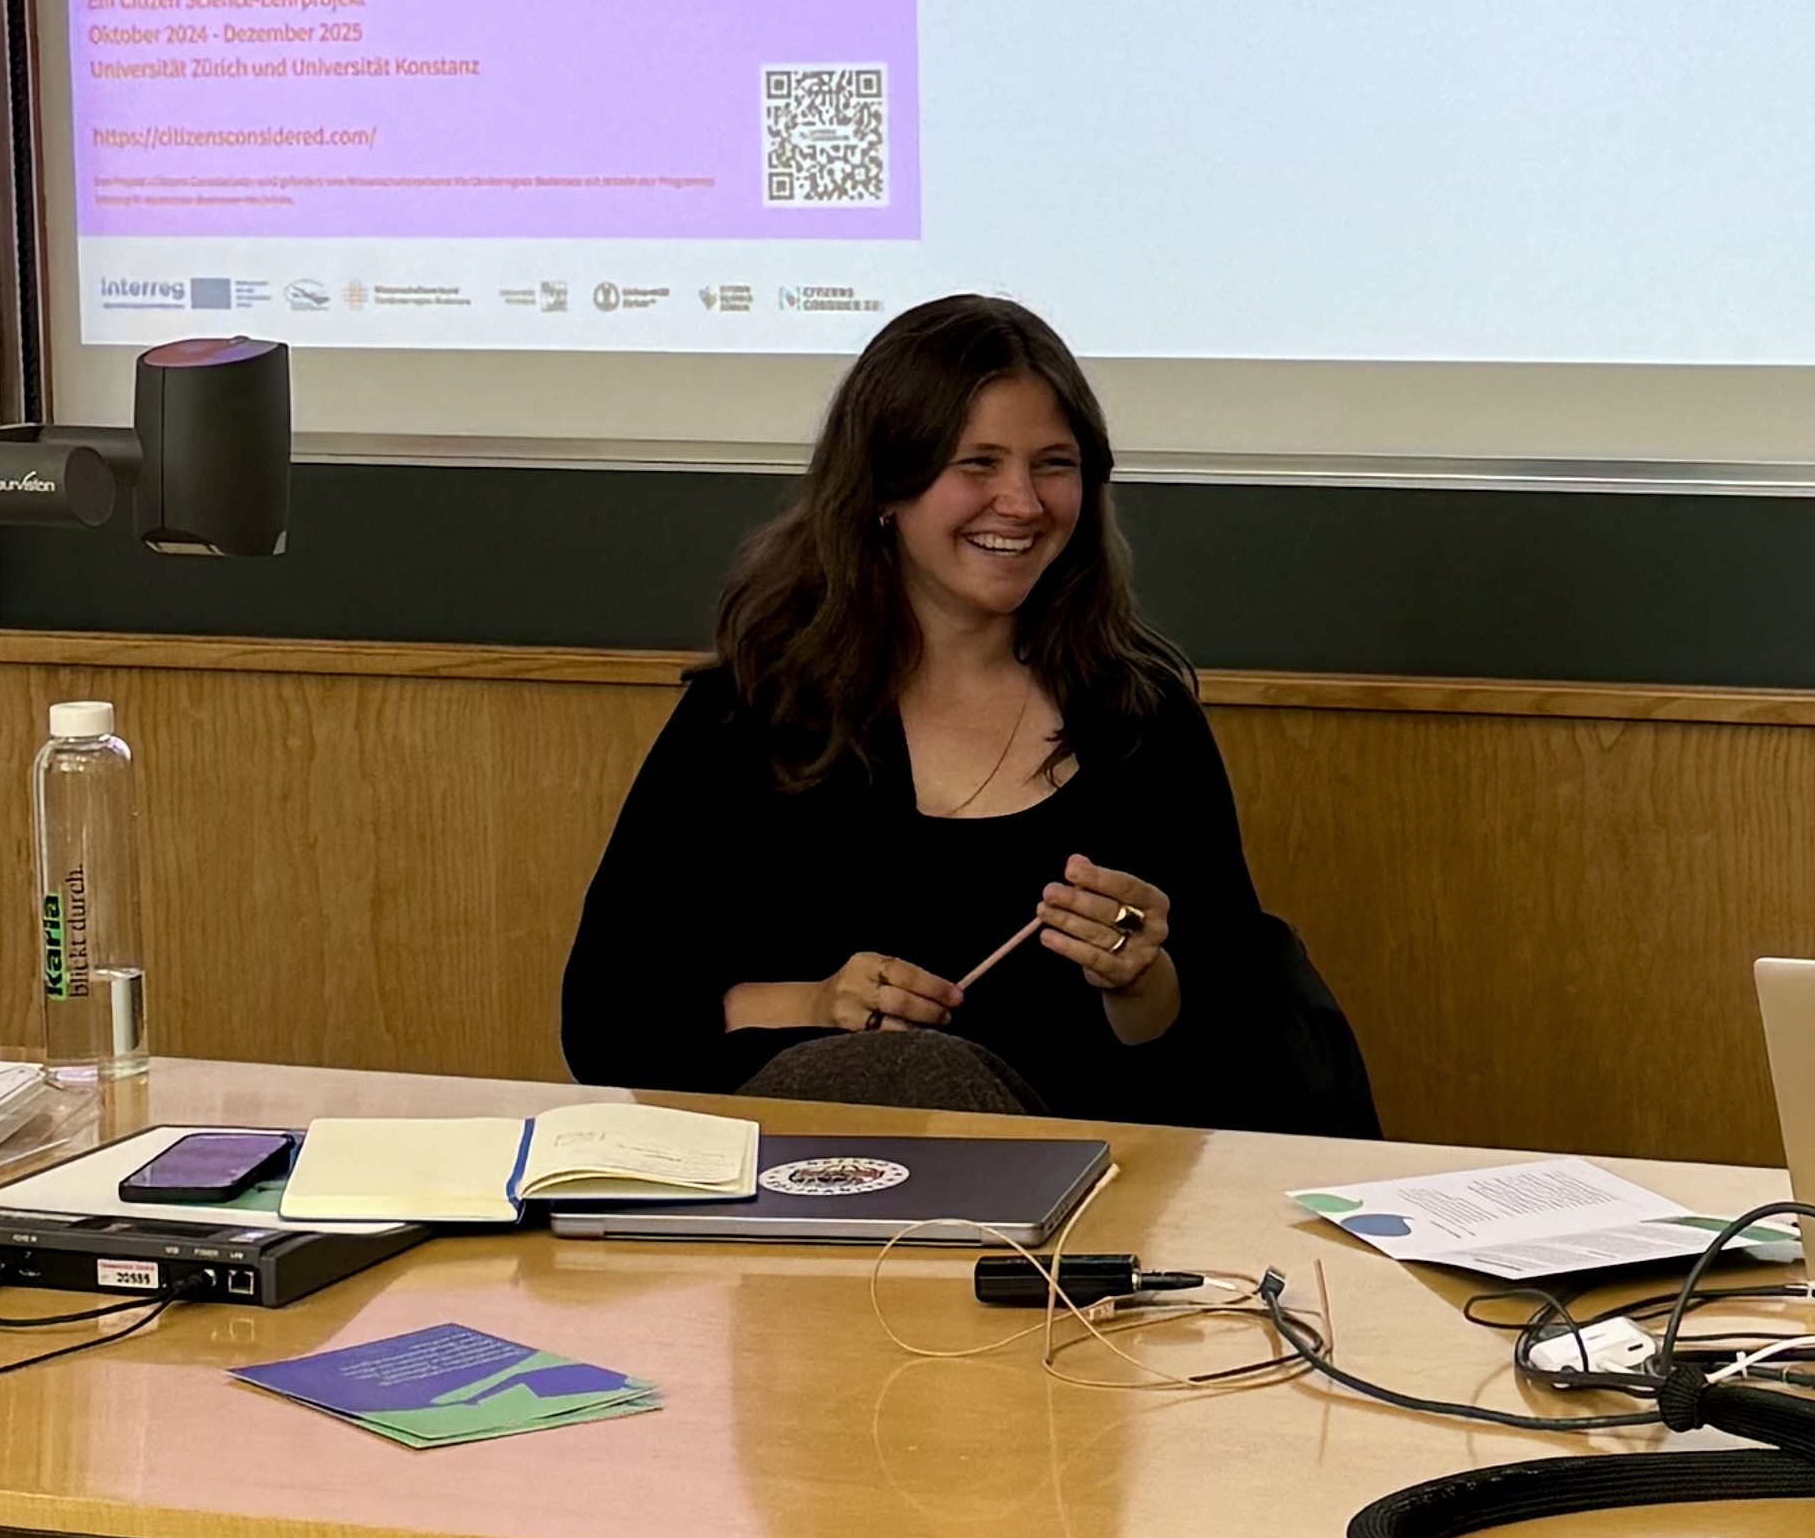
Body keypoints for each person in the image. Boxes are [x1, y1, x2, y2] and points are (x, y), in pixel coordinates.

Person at [563, 289, 1368, 1134]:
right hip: (806, 1195)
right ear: (885, 486)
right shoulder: (751, 716)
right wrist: (815, 1003)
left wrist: (1140, 980)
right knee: (915, 1075)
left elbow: (1232, 1065)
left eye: (1052, 464)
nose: (1021, 502)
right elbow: (607, 1022)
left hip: (1088, 1200)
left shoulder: (1139, 720)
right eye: (977, 464)